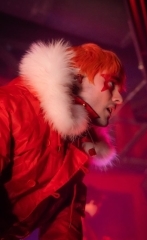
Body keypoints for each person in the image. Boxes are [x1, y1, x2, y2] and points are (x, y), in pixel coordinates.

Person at [0, 39, 125, 239]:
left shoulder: (78, 149)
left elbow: (64, 223)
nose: (119, 98)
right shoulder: (8, 106)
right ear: (78, 78)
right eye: (111, 84)